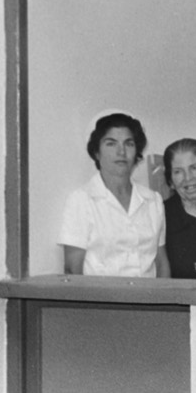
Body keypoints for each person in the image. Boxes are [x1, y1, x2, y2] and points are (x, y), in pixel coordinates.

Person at [59, 111, 168, 277]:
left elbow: (161, 262)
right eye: (111, 144)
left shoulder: (153, 200)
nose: (121, 152)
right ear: (96, 152)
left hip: (148, 298)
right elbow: (72, 270)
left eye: (129, 144)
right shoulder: (81, 200)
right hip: (101, 300)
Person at [161, 137, 196, 280]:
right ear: (170, 180)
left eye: (194, 168)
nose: (188, 178)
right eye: (178, 171)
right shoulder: (161, 215)